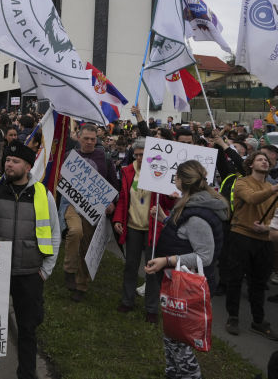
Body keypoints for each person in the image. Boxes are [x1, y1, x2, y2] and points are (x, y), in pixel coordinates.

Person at [0, 140, 61, 379]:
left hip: (30, 273)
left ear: (28, 167)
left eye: (15, 161)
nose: (9, 165)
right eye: (7, 160)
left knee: (27, 329)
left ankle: (26, 374)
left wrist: (46, 270)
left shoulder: (43, 194)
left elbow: (54, 233)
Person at [145, 160, 229, 378]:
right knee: (172, 335)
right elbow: (184, 234)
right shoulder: (191, 205)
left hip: (188, 288)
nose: (175, 180)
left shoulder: (197, 215)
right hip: (179, 284)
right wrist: (165, 219)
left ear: (182, 181)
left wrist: (167, 260)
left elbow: (204, 256)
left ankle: (191, 375)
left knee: (180, 341)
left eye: (176, 176)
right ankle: (173, 373)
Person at [112, 138, 174, 323]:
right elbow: (123, 198)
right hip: (133, 226)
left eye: (143, 154)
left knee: (152, 269)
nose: (139, 158)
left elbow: (167, 203)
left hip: (153, 228)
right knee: (130, 265)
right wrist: (118, 218)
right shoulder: (127, 171)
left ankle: (152, 308)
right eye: (136, 154)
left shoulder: (159, 171)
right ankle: (127, 300)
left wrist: (170, 196)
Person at [63, 123, 116, 301]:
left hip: (93, 209)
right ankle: (69, 269)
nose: (89, 142)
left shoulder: (105, 158)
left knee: (87, 247)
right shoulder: (69, 156)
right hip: (72, 205)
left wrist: (111, 201)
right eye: (86, 138)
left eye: (93, 139)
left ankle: (81, 285)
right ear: (79, 138)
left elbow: (113, 183)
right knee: (75, 232)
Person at [227, 151, 278, 339]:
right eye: (259, 159)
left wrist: (267, 228)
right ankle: (233, 317)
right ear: (250, 164)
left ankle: (258, 321)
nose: (264, 162)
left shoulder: (271, 188)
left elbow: (275, 217)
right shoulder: (242, 183)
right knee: (235, 278)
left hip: (264, 240)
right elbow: (252, 198)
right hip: (241, 235)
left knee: (259, 283)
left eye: (266, 160)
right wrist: (274, 189)